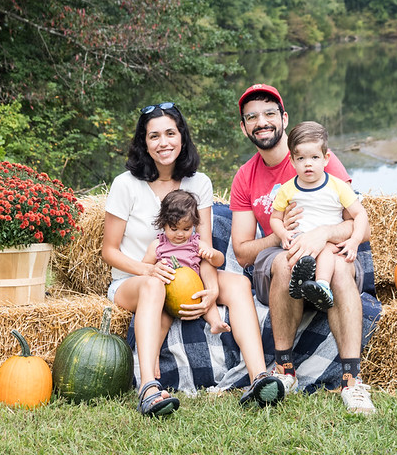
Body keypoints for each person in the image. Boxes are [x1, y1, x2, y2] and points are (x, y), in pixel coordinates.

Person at [102, 101, 285, 418]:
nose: (164, 143)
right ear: (144, 143)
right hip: (134, 280)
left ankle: (259, 378)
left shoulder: (198, 183)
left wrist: (212, 289)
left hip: (191, 273)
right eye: (154, 136)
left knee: (239, 283)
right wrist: (148, 269)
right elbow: (110, 251)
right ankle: (149, 388)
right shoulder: (125, 184)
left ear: (182, 137)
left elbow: (202, 249)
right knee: (153, 287)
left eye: (170, 133)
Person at [229, 84, 376, 414]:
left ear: (284, 118)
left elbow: (360, 225)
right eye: (251, 117)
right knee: (285, 261)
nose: (261, 122)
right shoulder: (245, 176)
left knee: (336, 265)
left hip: (332, 250)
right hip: (281, 250)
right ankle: (285, 371)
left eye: (269, 113)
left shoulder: (320, 157)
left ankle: (352, 382)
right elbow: (241, 252)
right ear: (243, 127)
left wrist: (322, 233)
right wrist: (283, 237)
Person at [269, 121, 370, 312]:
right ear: (292, 161)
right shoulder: (287, 189)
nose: (308, 163)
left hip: (330, 241)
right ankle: (300, 283)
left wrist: (355, 241)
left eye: (315, 157)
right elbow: (275, 218)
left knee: (325, 253)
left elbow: (360, 214)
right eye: (301, 158)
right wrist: (282, 234)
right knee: (292, 258)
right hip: (300, 241)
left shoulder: (337, 186)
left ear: (326, 158)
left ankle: (322, 287)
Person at [144, 189, 231, 334]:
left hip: (193, 291)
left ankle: (215, 323)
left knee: (207, 302)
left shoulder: (196, 243)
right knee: (162, 321)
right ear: (163, 224)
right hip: (167, 295)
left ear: (194, 225)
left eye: (186, 228)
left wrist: (212, 254)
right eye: (174, 228)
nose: (180, 234)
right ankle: (154, 352)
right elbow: (145, 267)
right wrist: (154, 269)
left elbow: (219, 261)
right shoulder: (157, 245)